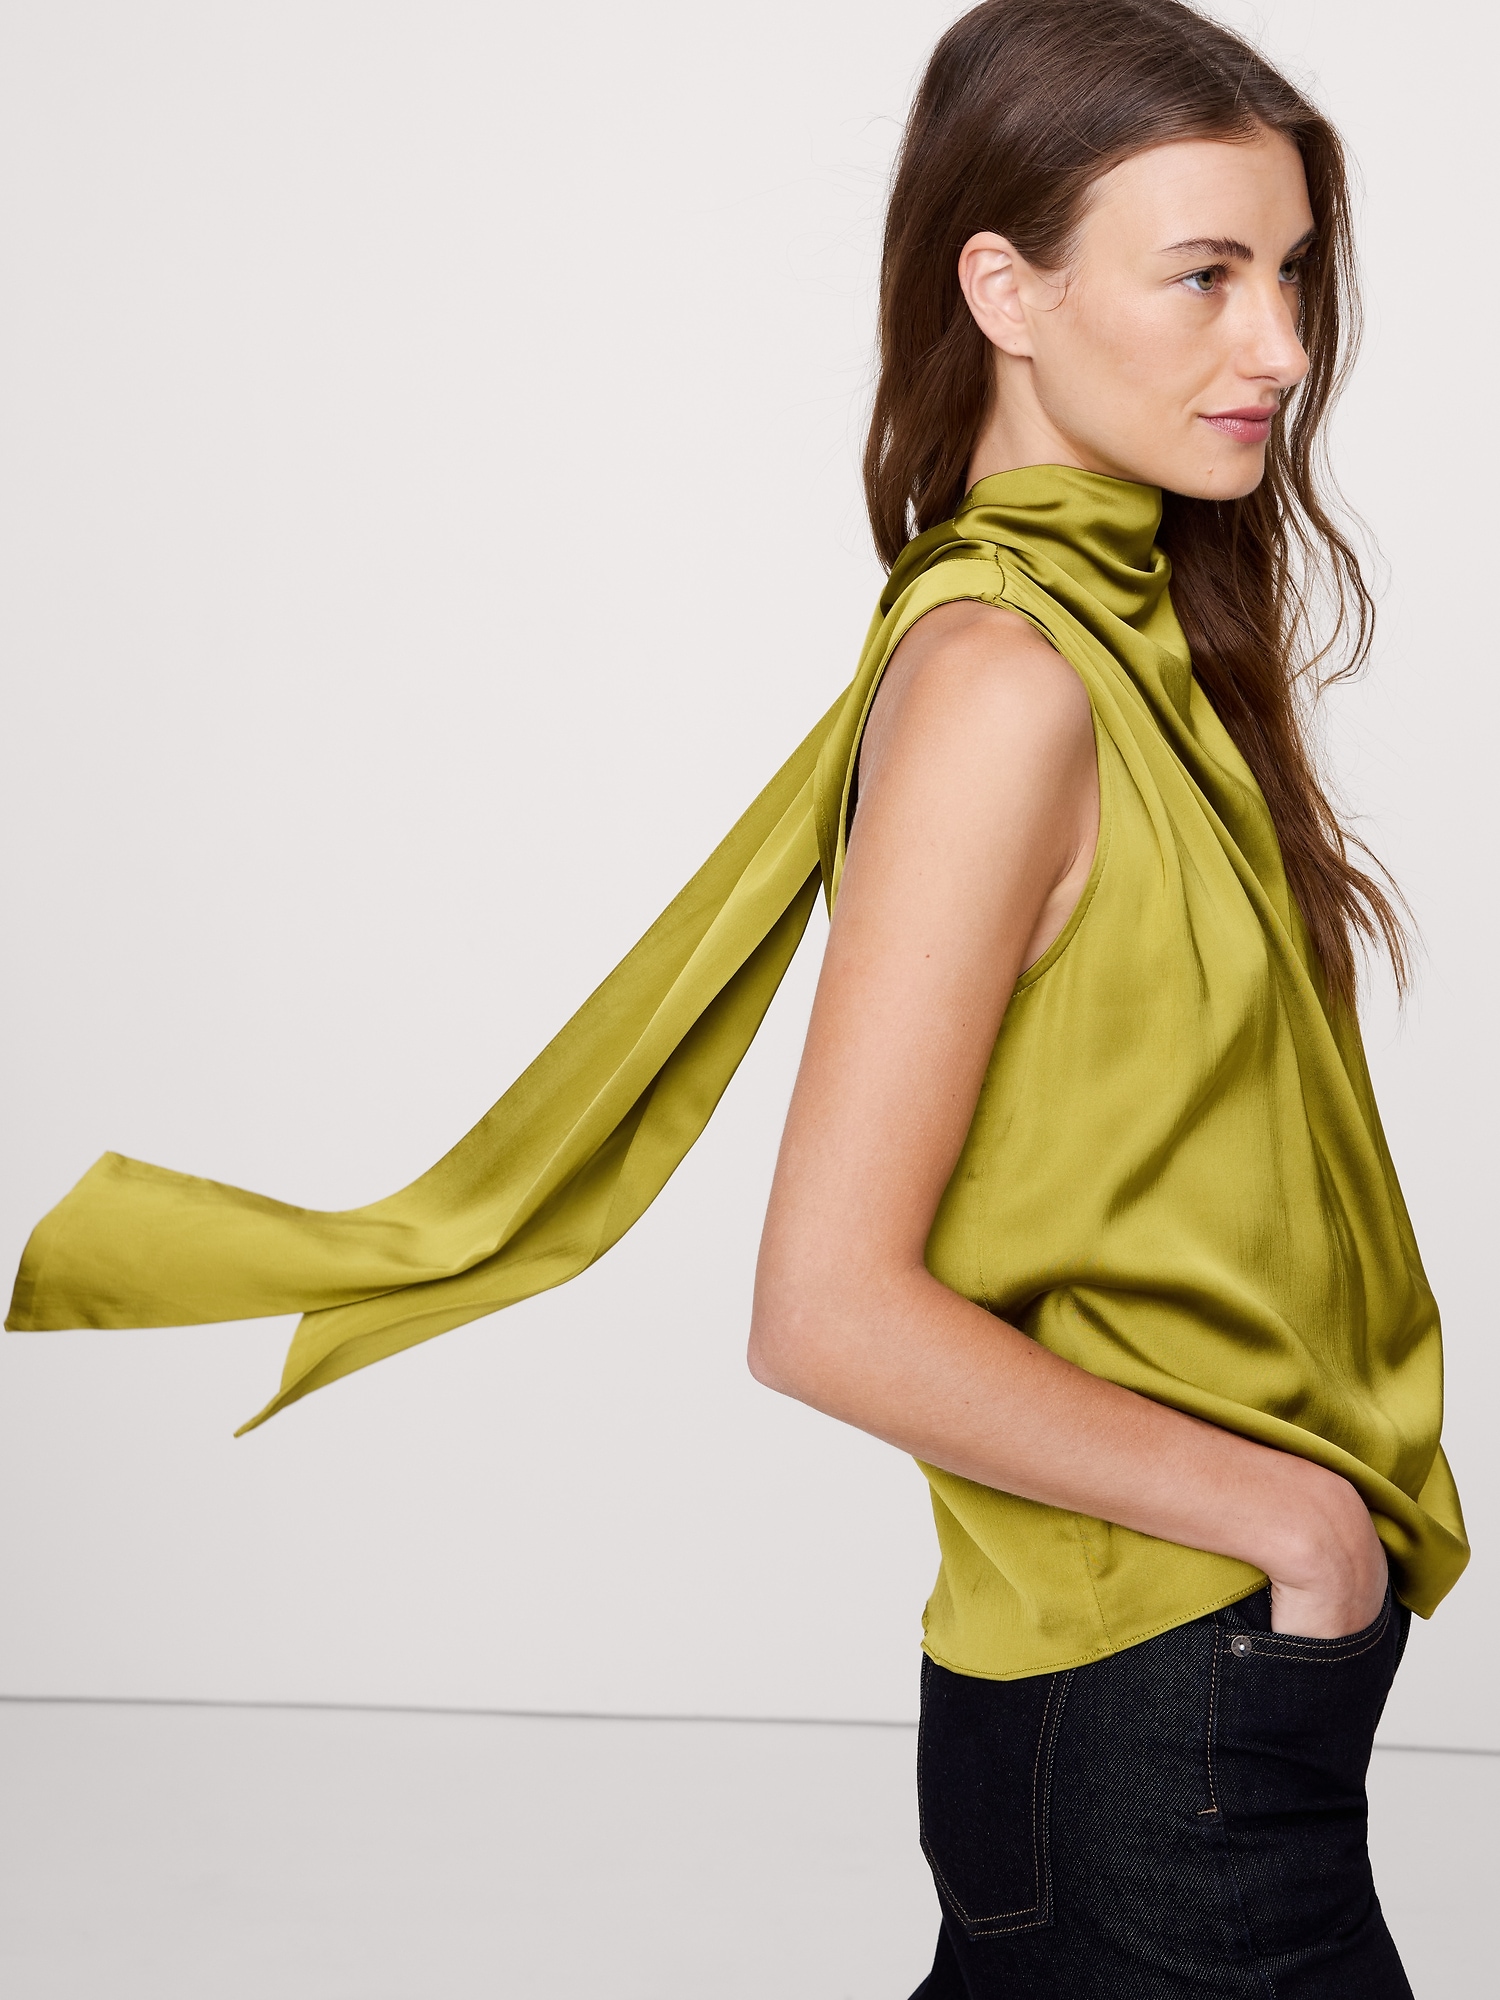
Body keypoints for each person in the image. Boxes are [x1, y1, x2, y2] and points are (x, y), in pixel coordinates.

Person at [4, 2, 1465, 1993]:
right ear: (1005, 290)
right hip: (1161, 1705)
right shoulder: (1010, 678)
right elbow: (828, 1307)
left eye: (1292, 273)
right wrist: (1301, 1524)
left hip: (1180, 1701)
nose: (1282, 345)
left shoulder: (1124, 637)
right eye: (1205, 274)